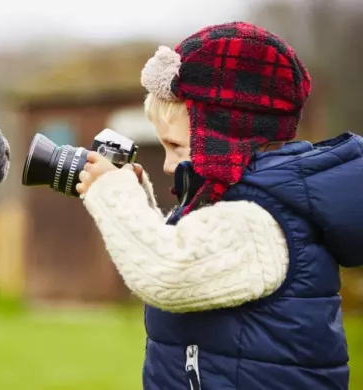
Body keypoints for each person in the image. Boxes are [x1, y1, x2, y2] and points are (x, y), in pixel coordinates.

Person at [76, 21, 362, 390]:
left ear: (225, 137)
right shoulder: (248, 202)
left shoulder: (259, 220)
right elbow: (188, 251)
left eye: (177, 148)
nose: (167, 165)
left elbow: (167, 271)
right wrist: (141, 200)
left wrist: (113, 193)